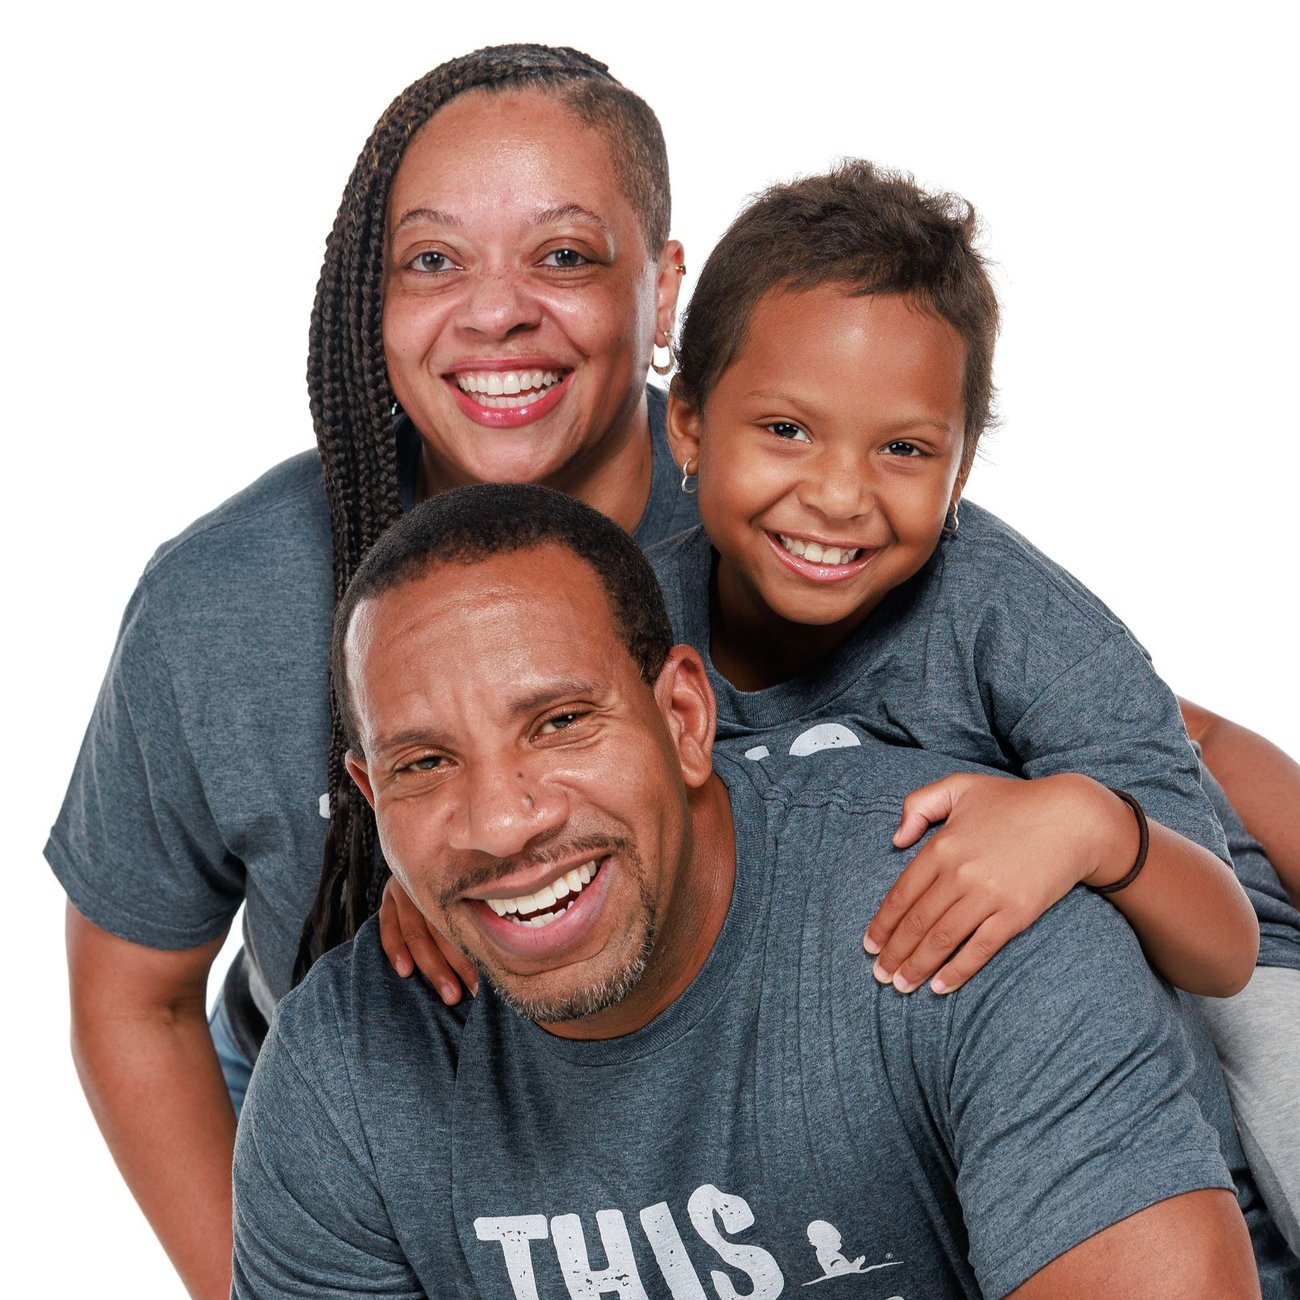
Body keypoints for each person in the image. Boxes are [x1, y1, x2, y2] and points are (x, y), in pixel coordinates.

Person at [232, 483, 1298, 1298]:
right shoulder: (340, 1076)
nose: (502, 823)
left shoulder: (976, 920)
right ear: (370, 796)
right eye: (425, 765)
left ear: (686, 718)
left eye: (559, 723)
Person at [46, 44, 695, 1300]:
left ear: (662, 290)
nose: (495, 313)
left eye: (564, 255)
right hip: (368, 1189)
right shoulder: (227, 599)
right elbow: (136, 1001)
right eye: (432, 262)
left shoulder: (801, 537)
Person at [647, 159, 1300, 1246]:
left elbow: (1223, 949)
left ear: (958, 473)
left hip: (1188, 1034)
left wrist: (1090, 826)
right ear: (688, 424)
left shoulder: (1017, 619)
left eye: (904, 450)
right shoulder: (624, 619)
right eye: (786, 430)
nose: (840, 495)